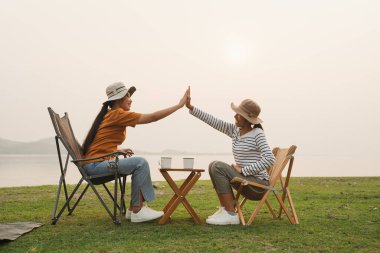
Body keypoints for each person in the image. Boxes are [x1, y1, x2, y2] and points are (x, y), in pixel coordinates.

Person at [82, 82, 189, 223]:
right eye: (128, 96)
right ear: (119, 99)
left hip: (96, 164)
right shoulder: (117, 114)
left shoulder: (110, 115)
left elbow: (100, 144)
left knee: (138, 163)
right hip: (95, 167)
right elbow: (152, 117)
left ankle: (133, 210)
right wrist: (179, 105)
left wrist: (117, 150)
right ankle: (137, 211)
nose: (131, 99)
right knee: (140, 163)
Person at [186, 93, 275, 225]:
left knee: (217, 166)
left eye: (238, 114)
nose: (235, 116)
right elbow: (214, 121)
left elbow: (270, 159)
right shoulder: (235, 131)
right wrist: (191, 107)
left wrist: (244, 170)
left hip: (257, 186)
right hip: (246, 181)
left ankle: (230, 214)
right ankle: (226, 209)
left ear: (246, 118)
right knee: (213, 165)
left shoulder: (257, 134)